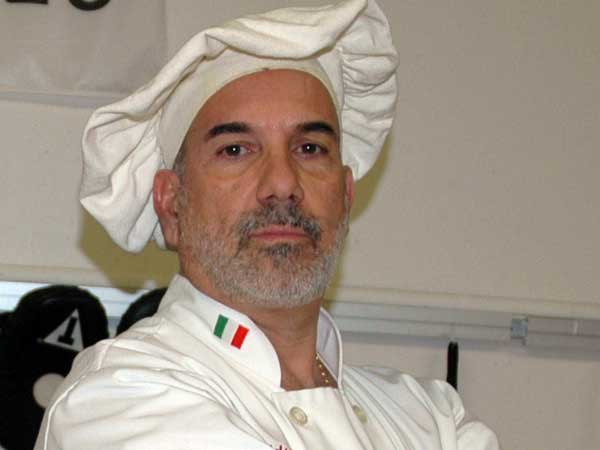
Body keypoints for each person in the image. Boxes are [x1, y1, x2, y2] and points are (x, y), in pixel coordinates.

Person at [35, 0, 500, 449]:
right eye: (235, 150)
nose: (282, 183)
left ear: (345, 195)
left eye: (310, 149)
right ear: (172, 205)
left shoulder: (430, 417)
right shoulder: (116, 399)